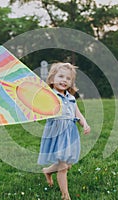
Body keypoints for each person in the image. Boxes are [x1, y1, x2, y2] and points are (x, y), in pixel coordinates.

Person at [38, 62, 91, 200]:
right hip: (56, 134)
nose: (64, 80)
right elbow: (40, 108)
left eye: (68, 78)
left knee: (67, 165)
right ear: (52, 79)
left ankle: (47, 171)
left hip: (69, 134)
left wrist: (84, 123)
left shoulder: (71, 98)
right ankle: (65, 195)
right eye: (60, 76)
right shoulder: (50, 96)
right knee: (62, 166)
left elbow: (77, 114)